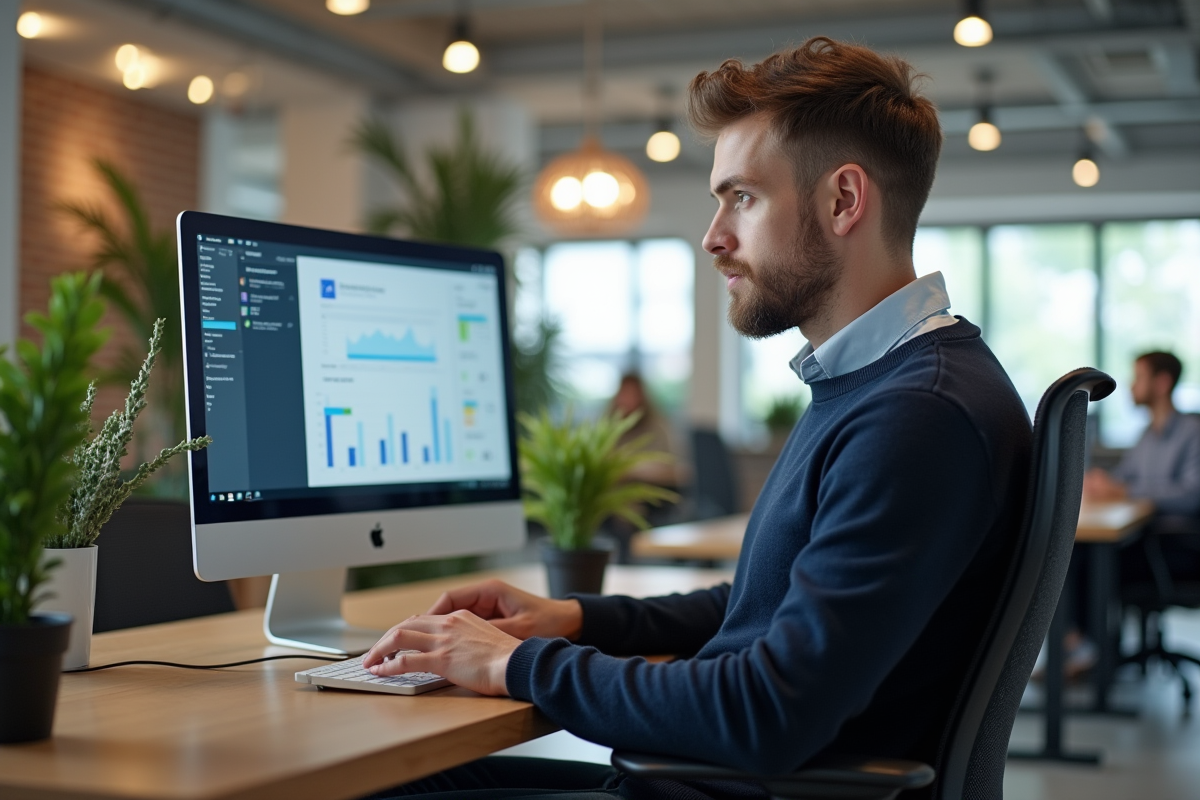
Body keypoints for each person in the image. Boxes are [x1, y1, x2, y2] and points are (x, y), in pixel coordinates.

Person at [359, 37, 1031, 800]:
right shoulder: (885, 384)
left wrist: (510, 663)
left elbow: (767, 712)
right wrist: (575, 620)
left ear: (844, 200)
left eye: (741, 197)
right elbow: (766, 603)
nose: (714, 236)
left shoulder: (917, 415)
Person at [1083, 351, 1200, 517]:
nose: (1131, 386)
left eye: (1138, 377)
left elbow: (1191, 495)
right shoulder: (1147, 435)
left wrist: (1125, 491)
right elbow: (1124, 474)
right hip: (1145, 528)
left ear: (1162, 383)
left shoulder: (1193, 431)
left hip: (1171, 534)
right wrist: (1101, 482)